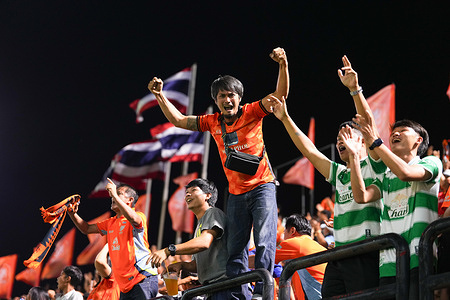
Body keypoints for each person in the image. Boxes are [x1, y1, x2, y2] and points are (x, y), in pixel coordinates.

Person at [148, 47, 289, 298]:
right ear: (216, 100)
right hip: (235, 193)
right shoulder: (213, 122)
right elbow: (179, 120)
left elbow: (280, 95)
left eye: (231, 95)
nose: (227, 100)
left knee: (265, 241)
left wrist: (283, 64)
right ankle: (236, 290)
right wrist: (160, 96)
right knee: (235, 247)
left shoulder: (252, 111)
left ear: (239, 97)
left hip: (262, 186)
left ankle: (262, 291)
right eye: (222, 95)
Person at [272, 56, 385, 297]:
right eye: (338, 139)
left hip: (365, 252)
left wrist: (355, 90)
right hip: (338, 255)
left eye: (346, 136)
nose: (339, 142)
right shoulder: (340, 173)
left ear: (362, 140)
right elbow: (309, 151)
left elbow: (369, 125)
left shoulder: (375, 164)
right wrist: (285, 118)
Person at [341, 116, 442, 299]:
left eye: (403, 130)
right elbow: (361, 196)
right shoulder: (387, 177)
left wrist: (376, 142)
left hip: (419, 257)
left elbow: (406, 173)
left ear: (419, 140)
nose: (395, 133)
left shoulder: (430, 163)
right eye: (394, 131)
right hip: (388, 262)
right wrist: (354, 157)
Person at [149, 178, 245, 299]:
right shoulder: (200, 226)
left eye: (194, 190)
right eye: (187, 192)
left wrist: (168, 250)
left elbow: (204, 243)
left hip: (226, 286)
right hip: (212, 289)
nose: (188, 194)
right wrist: (182, 265)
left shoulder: (213, 213)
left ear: (208, 196)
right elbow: (196, 265)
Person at [67, 179, 158, 300]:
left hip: (142, 277)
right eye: (113, 194)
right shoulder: (111, 223)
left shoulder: (138, 216)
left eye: (118, 193)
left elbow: (134, 219)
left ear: (130, 200)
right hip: (124, 285)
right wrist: (72, 214)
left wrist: (114, 194)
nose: (112, 196)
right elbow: (86, 228)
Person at [274, 214, 327, 300]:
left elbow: (263, 259)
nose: (283, 236)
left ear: (292, 231)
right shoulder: (318, 246)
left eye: (284, 232)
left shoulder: (296, 243)